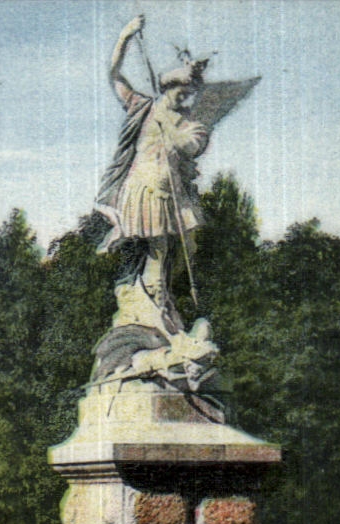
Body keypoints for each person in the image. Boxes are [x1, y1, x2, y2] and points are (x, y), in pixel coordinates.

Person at [95, 13, 210, 335]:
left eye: (190, 92)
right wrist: (126, 36)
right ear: (169, 87)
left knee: (182, 251)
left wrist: (170, 127)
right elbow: (114, 74)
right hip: (142, 192)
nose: (186, 98)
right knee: (155, 252)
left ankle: (159, 308)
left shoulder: (192, 125)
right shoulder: (142, 107)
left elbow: (191, 147)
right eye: (180, 91)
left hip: (172, 197)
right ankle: (151, 311)